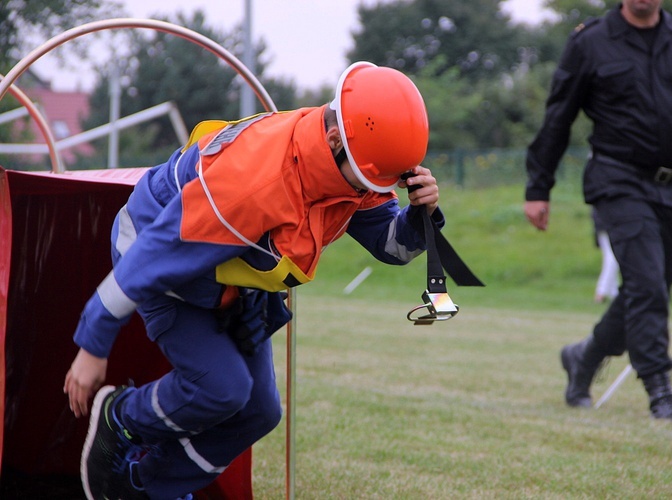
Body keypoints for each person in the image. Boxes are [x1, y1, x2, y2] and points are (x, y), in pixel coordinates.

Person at [64, 61, 442, 500]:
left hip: (226, 274)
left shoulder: (353, 165)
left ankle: (152, 488)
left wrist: (421, 215)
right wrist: (93, 344)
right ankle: (120, 417)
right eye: (367, 180)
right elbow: (151, 257)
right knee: (222, 388)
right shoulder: (255, 183)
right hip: (155, 250)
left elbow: (390, 247)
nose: (370, 191)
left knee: (261, 411)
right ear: (337, 137)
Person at [524, 0, 672, 422]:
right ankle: (659, 388)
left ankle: (584, 358)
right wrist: (539, 187)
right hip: (617, 179)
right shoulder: (591, 42)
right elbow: (559, 115)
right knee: (647, 283)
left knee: (654, 283)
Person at [591, 206, 620, 304]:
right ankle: (601, 292)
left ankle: (614, 293)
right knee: (613, 257)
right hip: (609, 224)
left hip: (603, 223)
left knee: (610, 256)